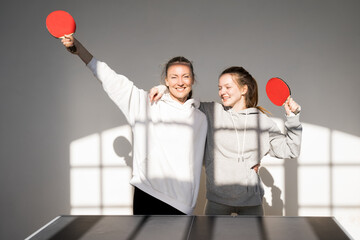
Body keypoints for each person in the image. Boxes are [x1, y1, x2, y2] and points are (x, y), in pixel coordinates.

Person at [61, 35, 207, 215]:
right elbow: (109, 78)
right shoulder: (145, 103)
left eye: (185, 76)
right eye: (174, 77)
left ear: (193, 79)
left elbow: (232, 124)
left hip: (182, 204)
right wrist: (79, 49)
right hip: (147, 195)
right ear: (166, 81)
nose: (180, 82)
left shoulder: (202, 117)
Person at [150, 66, 302, 215]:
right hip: (217, 202)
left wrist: (293, 118)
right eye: (220, 88)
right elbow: (182, 103)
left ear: (244, 89)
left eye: (227, 87)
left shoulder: (262, 122)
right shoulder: (211, 111)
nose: (222, 92)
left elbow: (290, 150)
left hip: (251, 203)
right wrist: (163, 89)